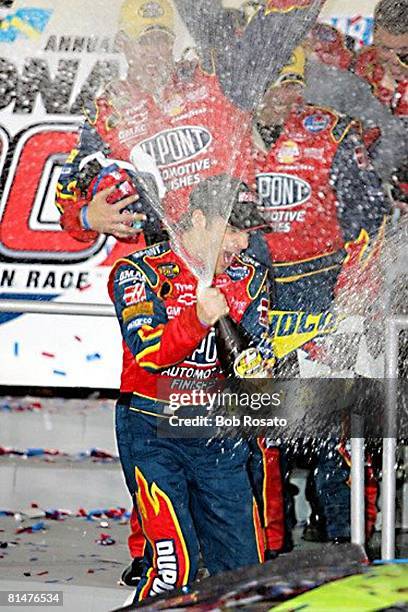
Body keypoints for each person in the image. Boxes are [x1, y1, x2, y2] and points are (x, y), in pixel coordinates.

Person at [108, 175, 275, 601]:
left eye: (247, 232)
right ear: (199, 219)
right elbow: (148, 352)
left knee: (244, 577)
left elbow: (255, 360)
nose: (241, 243)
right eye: (233, 229)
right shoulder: (138, 271)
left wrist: (264, 369)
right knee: (174, 569)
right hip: (153, 432)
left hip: (220, 436)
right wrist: (197, 317)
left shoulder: (252, 278)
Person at [249, 47, 389, 546]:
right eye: (270, 83)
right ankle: (266, 540)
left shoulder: (331, 132)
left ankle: (343, 540)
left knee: (335, 429)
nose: (280, 97)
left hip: (322, 291)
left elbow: (370, 220)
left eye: (290, 83)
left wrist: (352, 298)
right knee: (261, 429)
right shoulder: (226, 131)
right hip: (253, 295)